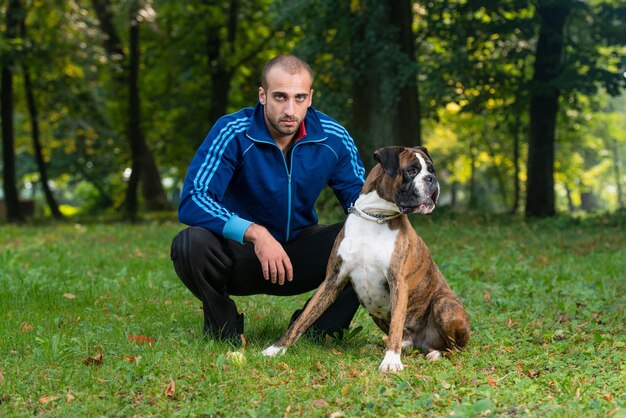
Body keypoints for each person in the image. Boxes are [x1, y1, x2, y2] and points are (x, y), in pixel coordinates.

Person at [170, 55, 366, 343]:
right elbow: (194, 198)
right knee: (190, 243)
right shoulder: (233, 131)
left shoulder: (333, 137)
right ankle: (223, 329)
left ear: (310, 98)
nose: (290, 109)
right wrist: (255, 233)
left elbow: (363, 205)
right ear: (262, 96)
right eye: (280, 97)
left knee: (367, 239)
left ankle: (316, 328)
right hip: (241, 254)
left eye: (299, 98)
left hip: (300, 255)